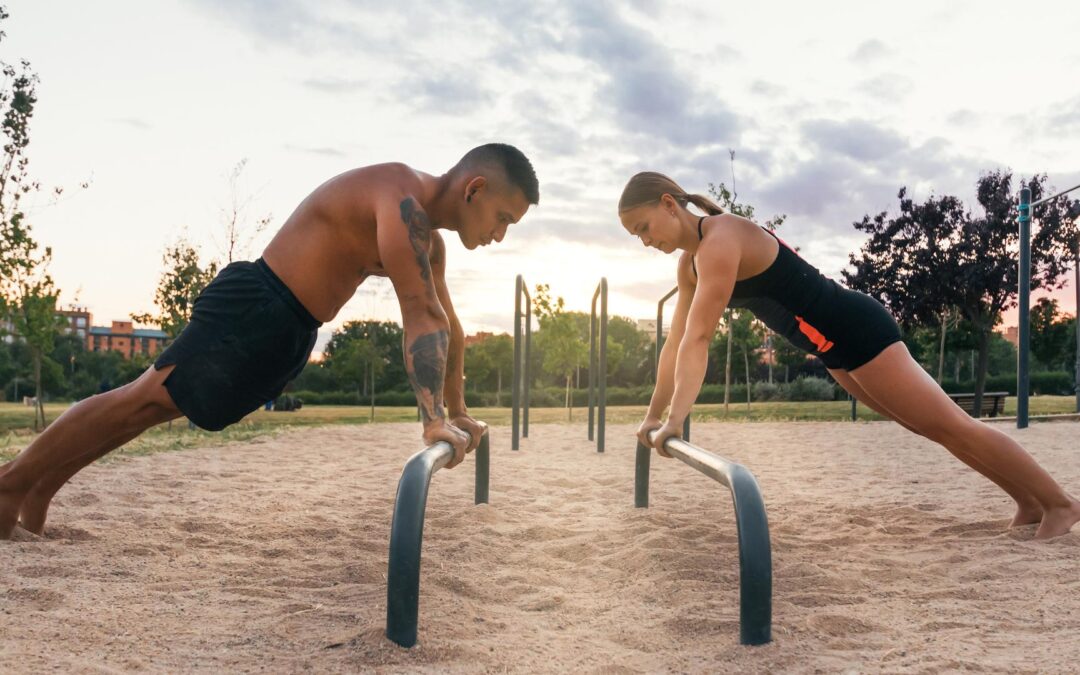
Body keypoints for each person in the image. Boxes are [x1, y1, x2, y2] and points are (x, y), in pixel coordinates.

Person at [0, 143, 539, 539]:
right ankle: (11, 482)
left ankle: (42, 487)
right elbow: (420, 314)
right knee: (138, 398)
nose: (500, 234)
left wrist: (460, 409)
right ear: (475, 190)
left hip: (289, 332)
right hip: (256, 306)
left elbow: (448, 323)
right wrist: (432, 417)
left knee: (148, 413)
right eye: (503, 218)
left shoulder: (428, 242)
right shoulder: (400, 199)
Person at [620, 171, 1080, 540]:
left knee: (951, 424)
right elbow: (675, 341)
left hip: (856, 330)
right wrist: (652, 415)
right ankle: (1028, 500)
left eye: (643, 227)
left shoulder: (721, 240)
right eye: (634, 236)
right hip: (833, 350)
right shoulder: (690, 264)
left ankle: (1059, 503)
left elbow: (699, 338)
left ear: (668, 203)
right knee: (932, 428)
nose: (644, 241)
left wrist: (676, 418)